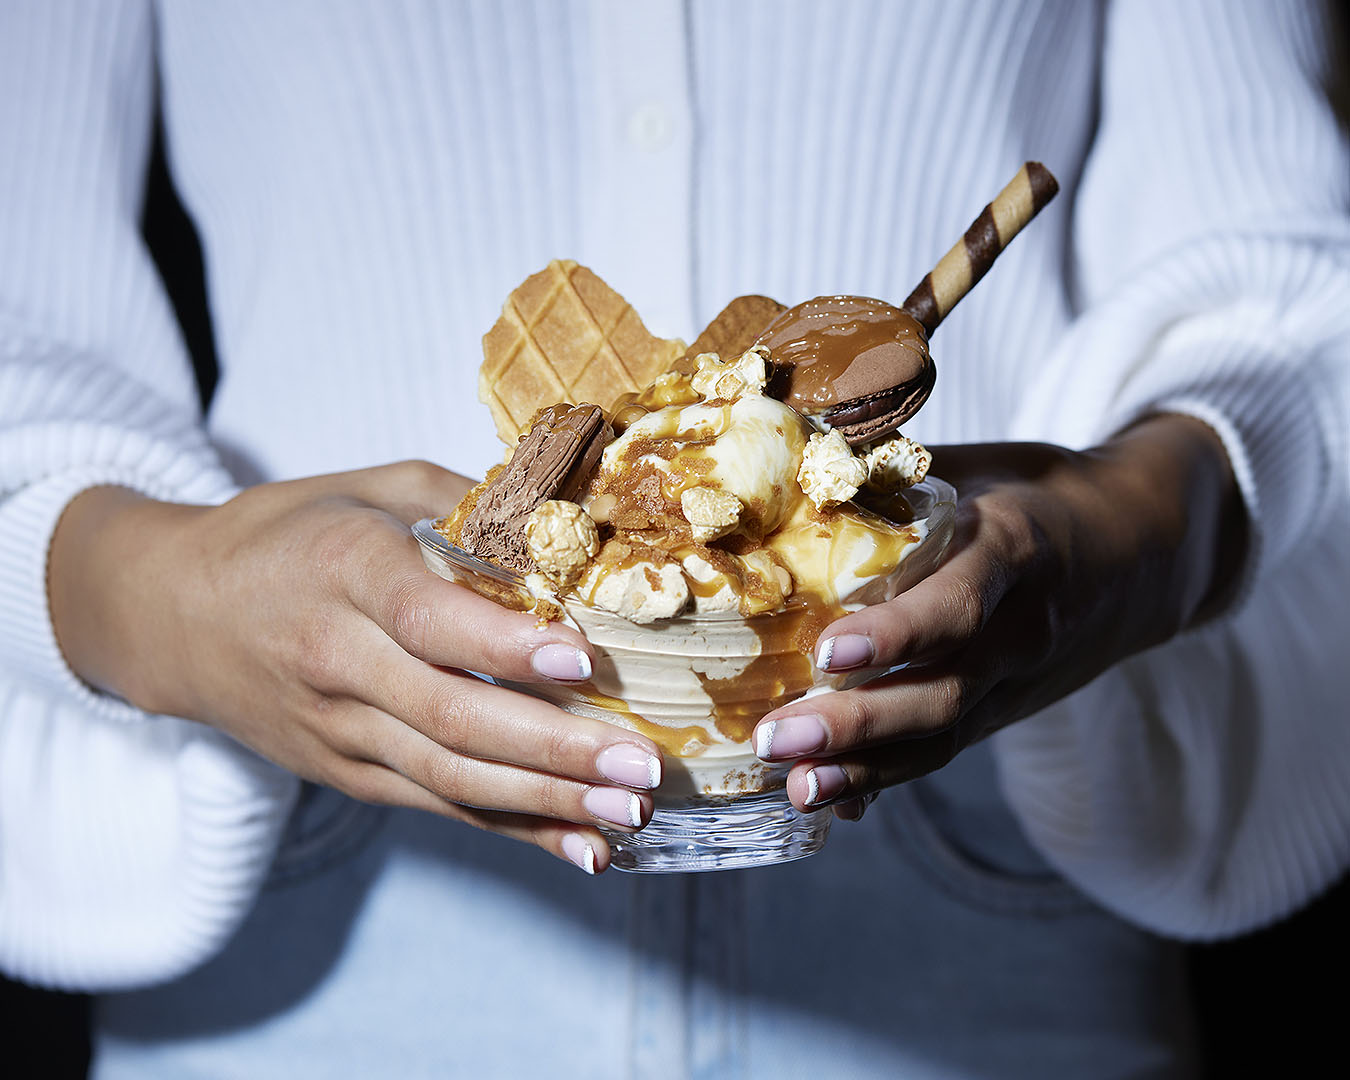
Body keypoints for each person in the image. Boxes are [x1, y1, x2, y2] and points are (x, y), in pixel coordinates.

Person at [2, 1, 1347, 1076]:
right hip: (334, 901)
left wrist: (1111, 546)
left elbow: (1285, 290)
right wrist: (175, 606)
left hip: (978, 861)